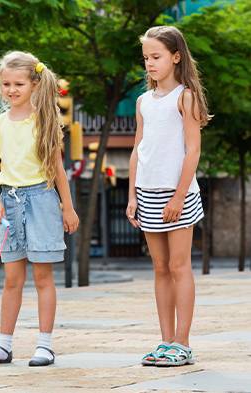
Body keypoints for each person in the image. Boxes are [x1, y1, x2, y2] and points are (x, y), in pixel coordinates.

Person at [0, 51, 79, 367]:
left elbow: (57, 168)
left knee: (43, 276)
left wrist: (68, 208)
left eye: (19, 83)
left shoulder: (45, 121)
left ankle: (44, 345)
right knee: (11, 278)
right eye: (6, 84)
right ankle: (3, 345)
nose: (11, 89)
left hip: (43, 200)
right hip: (9, 201)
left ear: (33, 83)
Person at [128, 25, 209, 367]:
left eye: (156, 57)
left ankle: (183, 343)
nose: (150, 63)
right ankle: (165, 342)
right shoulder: (143, 101)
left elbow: (192, 151)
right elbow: (138, 149)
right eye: (146, 57)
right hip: (147, 191)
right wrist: (132, 195)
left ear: (176, 57)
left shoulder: (185, 97)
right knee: (160, 268)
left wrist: (177, 197)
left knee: (179, 266)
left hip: (179, 194)